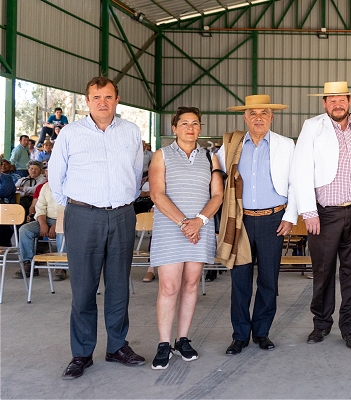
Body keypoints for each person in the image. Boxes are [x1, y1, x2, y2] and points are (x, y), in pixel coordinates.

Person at [48, 76, 146, 380]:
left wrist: (123, 202)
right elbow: (55, 174)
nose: (102, 102)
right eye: (96, 97)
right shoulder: (70, 133)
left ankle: (117, 346)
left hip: (121, 216)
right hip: (83, 216)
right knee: (83, 289)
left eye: (108, 97)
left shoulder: (131, 131)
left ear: (117, 100)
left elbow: (135, 170)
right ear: (87, 102)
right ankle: (81, 353)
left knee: (119, 287)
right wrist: (78, 205)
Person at [291, 81, 351, 350]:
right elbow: (301, 169)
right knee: (322, 272)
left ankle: (350, 328)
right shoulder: (313, 126)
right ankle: (321, 324)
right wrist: (309, 211)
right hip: (325, 213)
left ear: (349, 101)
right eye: (331, 100)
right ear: (324, 103)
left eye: (341, 99)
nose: (337, 104)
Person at [215, 94, 297, 355]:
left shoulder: (286, 145)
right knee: (240, 281)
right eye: (253, 113)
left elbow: (297, 182)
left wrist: (290, 216)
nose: (258, 118)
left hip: (274, 220)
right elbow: (215, 173)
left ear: (272, 117)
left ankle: (262, 332)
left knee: (268, 281)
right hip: (241, 220)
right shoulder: (230, 145)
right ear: (245, 117)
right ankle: (240, 335)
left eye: (264, 113)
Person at [149, 107, 224, 370]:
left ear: (200, 128)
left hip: (200, 228)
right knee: (169, 287)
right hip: (172, 228)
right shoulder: (161, 156)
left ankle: (182, 339)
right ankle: (163, 343)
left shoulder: (211, 158)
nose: (189, 128)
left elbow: (217, 195)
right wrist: (184, 223)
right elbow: (157, 194)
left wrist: (199, 221)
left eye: (194, 123)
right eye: (184, 123)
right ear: (174, 128)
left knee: (191, 284)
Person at [15, 181, 66, 280]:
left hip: (65, 219)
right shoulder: (45, 187)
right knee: (25, 230)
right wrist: (43, 224)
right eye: (47, 171)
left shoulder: (70, 186)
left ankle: (60, 266)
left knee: (61, 232)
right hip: (46, 219)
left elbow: (71, 209)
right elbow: (40, 208)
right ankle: (28, 264)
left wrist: (57, 224)